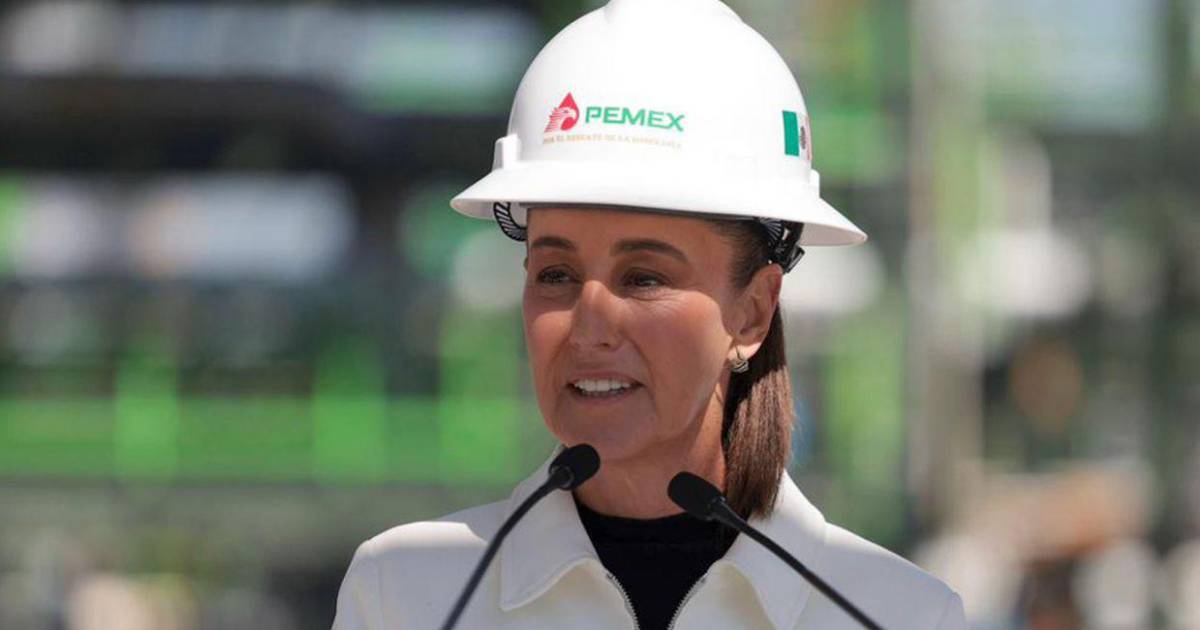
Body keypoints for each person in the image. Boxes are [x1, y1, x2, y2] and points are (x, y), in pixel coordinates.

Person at [332, 0, 968, 628]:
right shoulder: (405, 594)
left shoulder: (900, 616)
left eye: (644, 278)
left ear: (752, 314)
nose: (589, 325)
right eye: (555, 274)